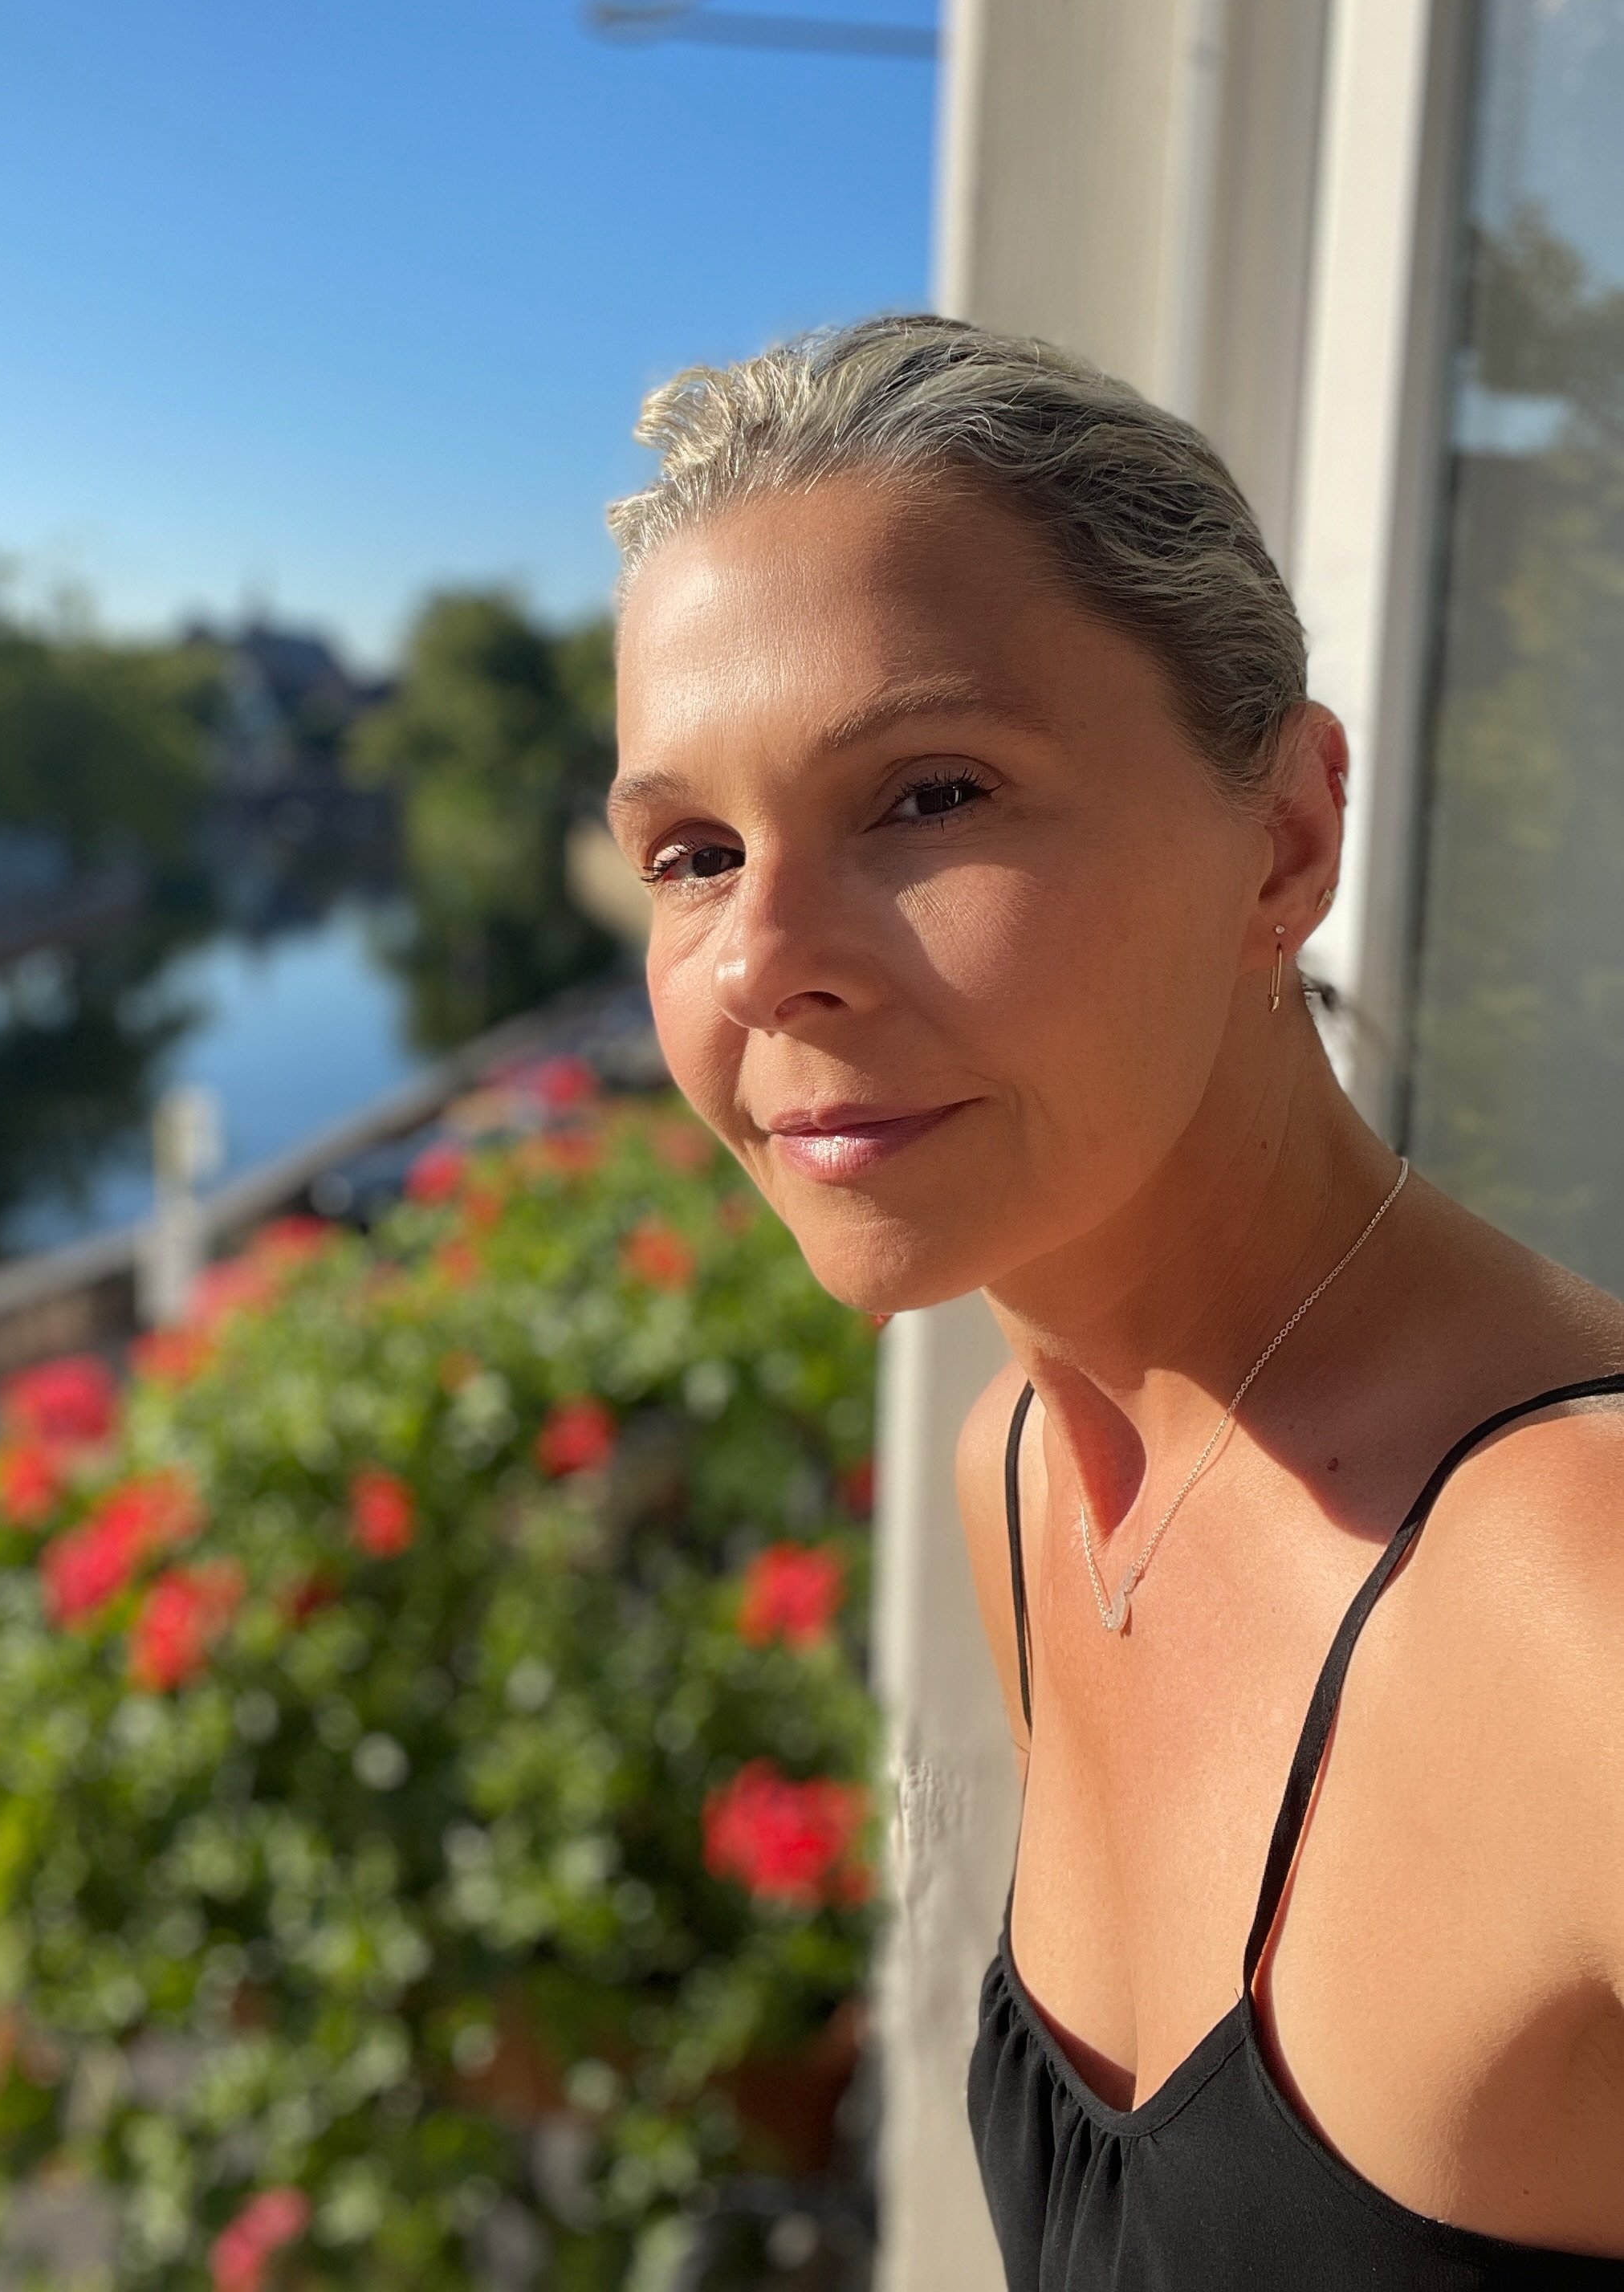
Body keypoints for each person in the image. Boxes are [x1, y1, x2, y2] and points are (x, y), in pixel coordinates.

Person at [604, 317, 1624, 2285]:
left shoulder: (1571, 1588)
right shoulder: (1031, 1482)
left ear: (1288, 837)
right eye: (696, 851)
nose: (760, 962)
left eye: (928, 794)